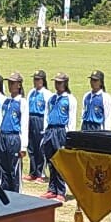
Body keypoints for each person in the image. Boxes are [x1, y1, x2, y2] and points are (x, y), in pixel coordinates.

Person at [40, 73, 75, 203]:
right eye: (56, 82)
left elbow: (71, 119)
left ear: (65, 83)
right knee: (51, 160)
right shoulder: (52, 98)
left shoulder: (69, 99)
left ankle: (61, 190)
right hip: (50, 130)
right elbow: (47, 114)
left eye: (60, 82)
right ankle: (52, 188)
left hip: (61, 130)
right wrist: (45, 131)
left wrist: (69, 137)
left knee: (60, 161)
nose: (57, 85)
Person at [0, 73, 29, 193]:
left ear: (19, 85)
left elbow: (24, 124)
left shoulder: (22, 102)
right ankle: (5, 191)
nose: (10, 86)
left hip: (14, 137)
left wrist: (23, 146)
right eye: (9, 83)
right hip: (3, 136)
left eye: (13, 83)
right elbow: (1, 119)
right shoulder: (6, 101)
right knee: (3, 166)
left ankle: (16, 192)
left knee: (14, 168)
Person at [26, 70, 54, 182]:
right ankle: (33, 171)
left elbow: (49, 110)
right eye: (34, 79)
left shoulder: (47, 94)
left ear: (43, 81)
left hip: (41, 119)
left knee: (40, 146)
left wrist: (46, 125)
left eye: (38, 79)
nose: (35, 81)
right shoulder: (31, 92)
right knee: (31, 147)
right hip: (31, 119)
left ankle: (41, 173)